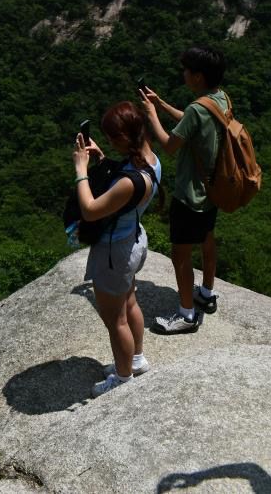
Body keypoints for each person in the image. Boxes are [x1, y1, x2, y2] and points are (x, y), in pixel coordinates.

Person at [73, 101, 162, 396]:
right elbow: (126, 180)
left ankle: (123, 379)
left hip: (115, 253)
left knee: (116, 320)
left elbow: (90, 210)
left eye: (112, 139)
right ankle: (136, 359)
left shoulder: (128, 182)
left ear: (125, 138)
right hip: (134, 242)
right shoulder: (152, 161)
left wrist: (80, 170)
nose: (109, 143)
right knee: (130, 303)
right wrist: (102, 158)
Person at [140, 45, 227, 335]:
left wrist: (151, 113)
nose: (184, 74)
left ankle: (186, 315)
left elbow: (169, 144)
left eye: (188, 70)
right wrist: (163, 104)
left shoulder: (196, 108)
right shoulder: (220, 100)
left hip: (190, 195)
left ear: (199, 77)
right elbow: (192, 124)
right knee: (207, 239)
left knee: (180, 253)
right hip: (212, 190)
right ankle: (207, 293)